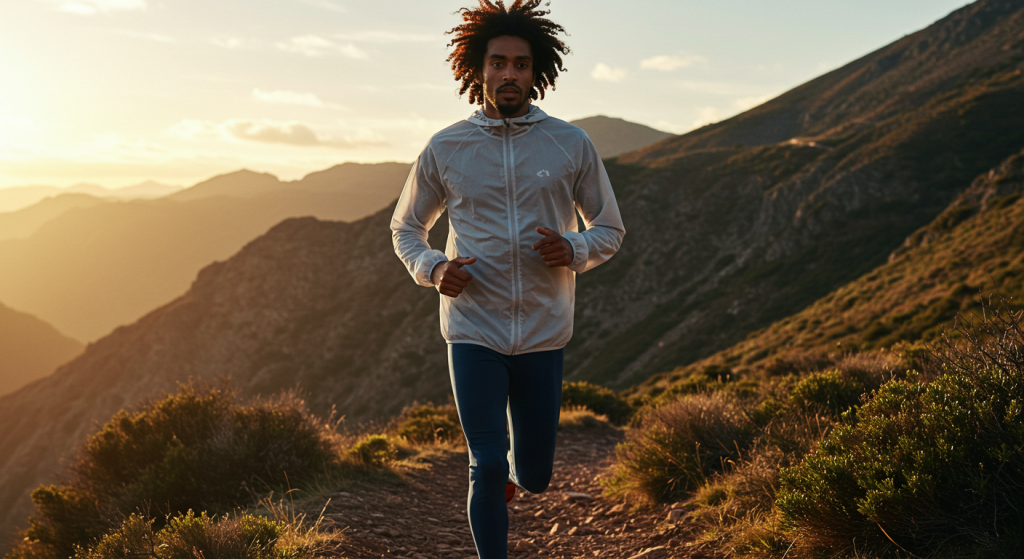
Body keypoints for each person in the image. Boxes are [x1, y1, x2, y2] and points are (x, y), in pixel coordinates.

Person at [390, 1, 624, 556]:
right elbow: (405, 228)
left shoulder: (571, 143)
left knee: (535, 474)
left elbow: (610, 229)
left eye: (521, 64)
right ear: (478, 69)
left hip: (544, 331)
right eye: (498, 63)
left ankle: (519, 476)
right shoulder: (446, 147)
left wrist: (573, 247)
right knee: (486, 462)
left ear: (537, 72)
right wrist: (435, 267)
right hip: (473, 330)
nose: (509, 74)